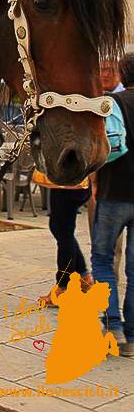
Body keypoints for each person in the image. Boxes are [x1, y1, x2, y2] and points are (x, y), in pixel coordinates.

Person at [91, 54, 134, 357]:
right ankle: (132, 335)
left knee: (103, 259)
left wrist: (93, 183)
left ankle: (113, 327)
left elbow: (98, 146)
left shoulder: (111, 103)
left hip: (113, 192)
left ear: (122, 74)